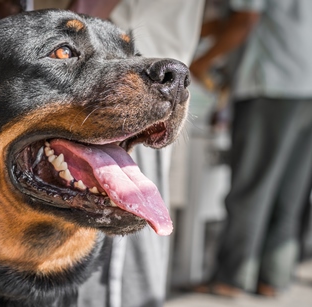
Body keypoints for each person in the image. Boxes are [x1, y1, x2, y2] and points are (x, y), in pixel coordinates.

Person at [67, 1, 205, 306]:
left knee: (119, 263)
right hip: (141, 72)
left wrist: (55, 38)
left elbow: (88, 11)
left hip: (129, 80)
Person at [190, 0, 312, 297]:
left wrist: (200, 62)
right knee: (290, 190)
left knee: (252, 187)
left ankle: (231, 277)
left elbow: (244, 20)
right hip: (306, 86)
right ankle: (273, 277)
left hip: (271, 84)